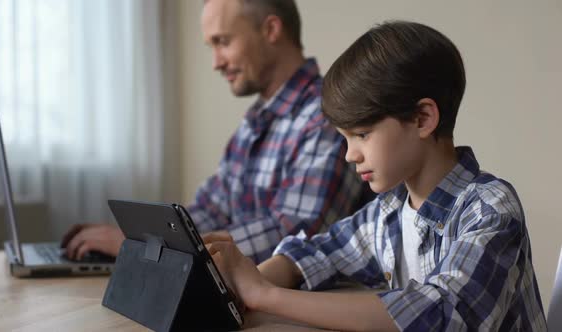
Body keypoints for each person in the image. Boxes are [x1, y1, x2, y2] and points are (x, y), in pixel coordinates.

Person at [204, 21, 546, 331]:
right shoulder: (388, 212)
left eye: (362, 134)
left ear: (423, 118)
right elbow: (322, 252)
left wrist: (266, 296)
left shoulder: (490, 210)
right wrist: (244, 287)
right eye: (345, 137)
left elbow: (442, 316)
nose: (350, 154)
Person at [61, 0, 370, 263]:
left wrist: (152, 247)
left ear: (271, 30)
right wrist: (141, 237)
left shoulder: (327, 114)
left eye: (223, 42)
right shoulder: (255, 122)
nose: (216, 63)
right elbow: (212, 209)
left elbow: (294, 235)